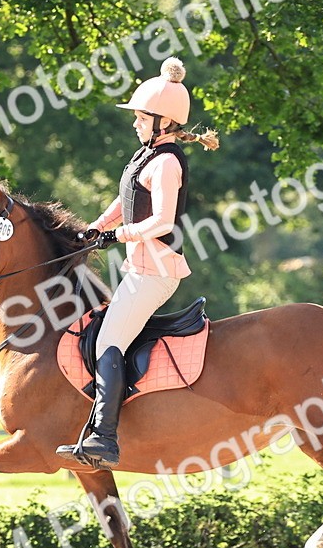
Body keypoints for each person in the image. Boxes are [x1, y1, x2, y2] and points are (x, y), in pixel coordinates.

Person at [56, 56, 219, 470]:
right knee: (107, 335)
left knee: (109, 341)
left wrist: (118, 236)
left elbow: (162, 220)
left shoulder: (166, 163)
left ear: (163, 122)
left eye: (141, 118)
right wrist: (97, 227)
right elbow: (125, 198)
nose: (135, 123)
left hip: (156, 273)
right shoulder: (145, 156)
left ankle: (104, 439)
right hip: (140, 270)